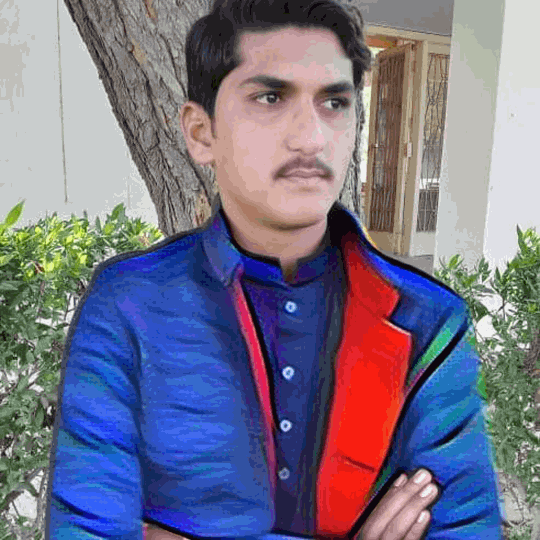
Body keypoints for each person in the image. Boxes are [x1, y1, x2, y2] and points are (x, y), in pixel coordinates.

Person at [44, 0, 506, 538]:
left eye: (334, 102)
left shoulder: (427, 322)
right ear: (201, 133)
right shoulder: (128, 307)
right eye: (270, 97)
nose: (311, 137)